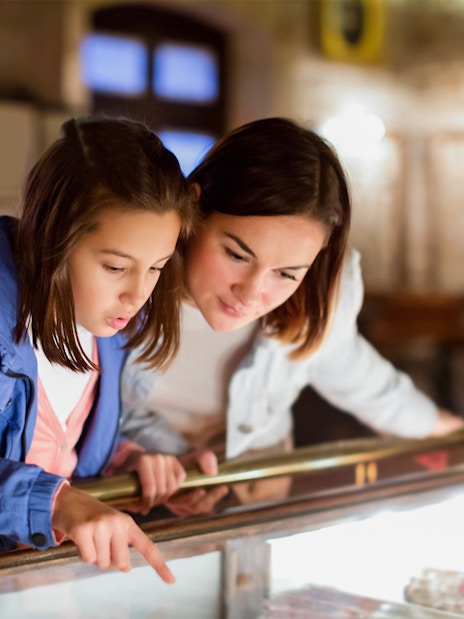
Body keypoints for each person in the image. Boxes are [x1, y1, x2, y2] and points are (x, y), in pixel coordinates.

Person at [121, 116, 463, 514]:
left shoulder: (318, 297)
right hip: (131, 498)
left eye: (286, 274)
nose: (251, 293)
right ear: (195, 208)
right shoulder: (127, 278)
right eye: (236, 254)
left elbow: (360, 378)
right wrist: (169, 460)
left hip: (254, 505)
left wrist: (445, 430)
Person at [0, 116, 197, 579]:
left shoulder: (108, 327)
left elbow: (56, 447)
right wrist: (54, 503)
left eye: (156, 268)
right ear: (52, 235)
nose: (138, 295)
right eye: (114, 266)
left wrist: (128, 460)